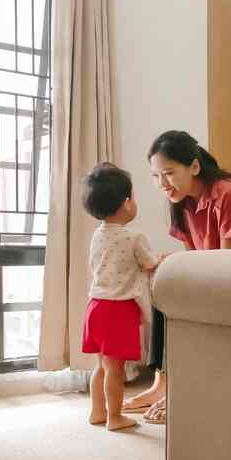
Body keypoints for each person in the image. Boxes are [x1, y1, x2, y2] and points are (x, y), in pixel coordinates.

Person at [123, 131, 231, 424]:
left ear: (194, 167)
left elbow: (228, 262)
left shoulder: (227, 192)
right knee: (164, 285)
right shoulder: (181, 202)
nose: (162, 184)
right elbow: (197, 257)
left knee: (182, 289)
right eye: (156, 176)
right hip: (216, 268)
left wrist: (186, 266)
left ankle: (186, 390)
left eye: (168, 173)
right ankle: (161, 384)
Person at [81, 163, 165, 431]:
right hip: (119, 309)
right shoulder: (133, 237)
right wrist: (163, 259)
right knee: (116, 369)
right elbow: (151, 264)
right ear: (127, 203)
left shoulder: (97, 236)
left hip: (95, 306)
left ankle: (97, 411)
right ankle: (115, 417)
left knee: (102, 367)